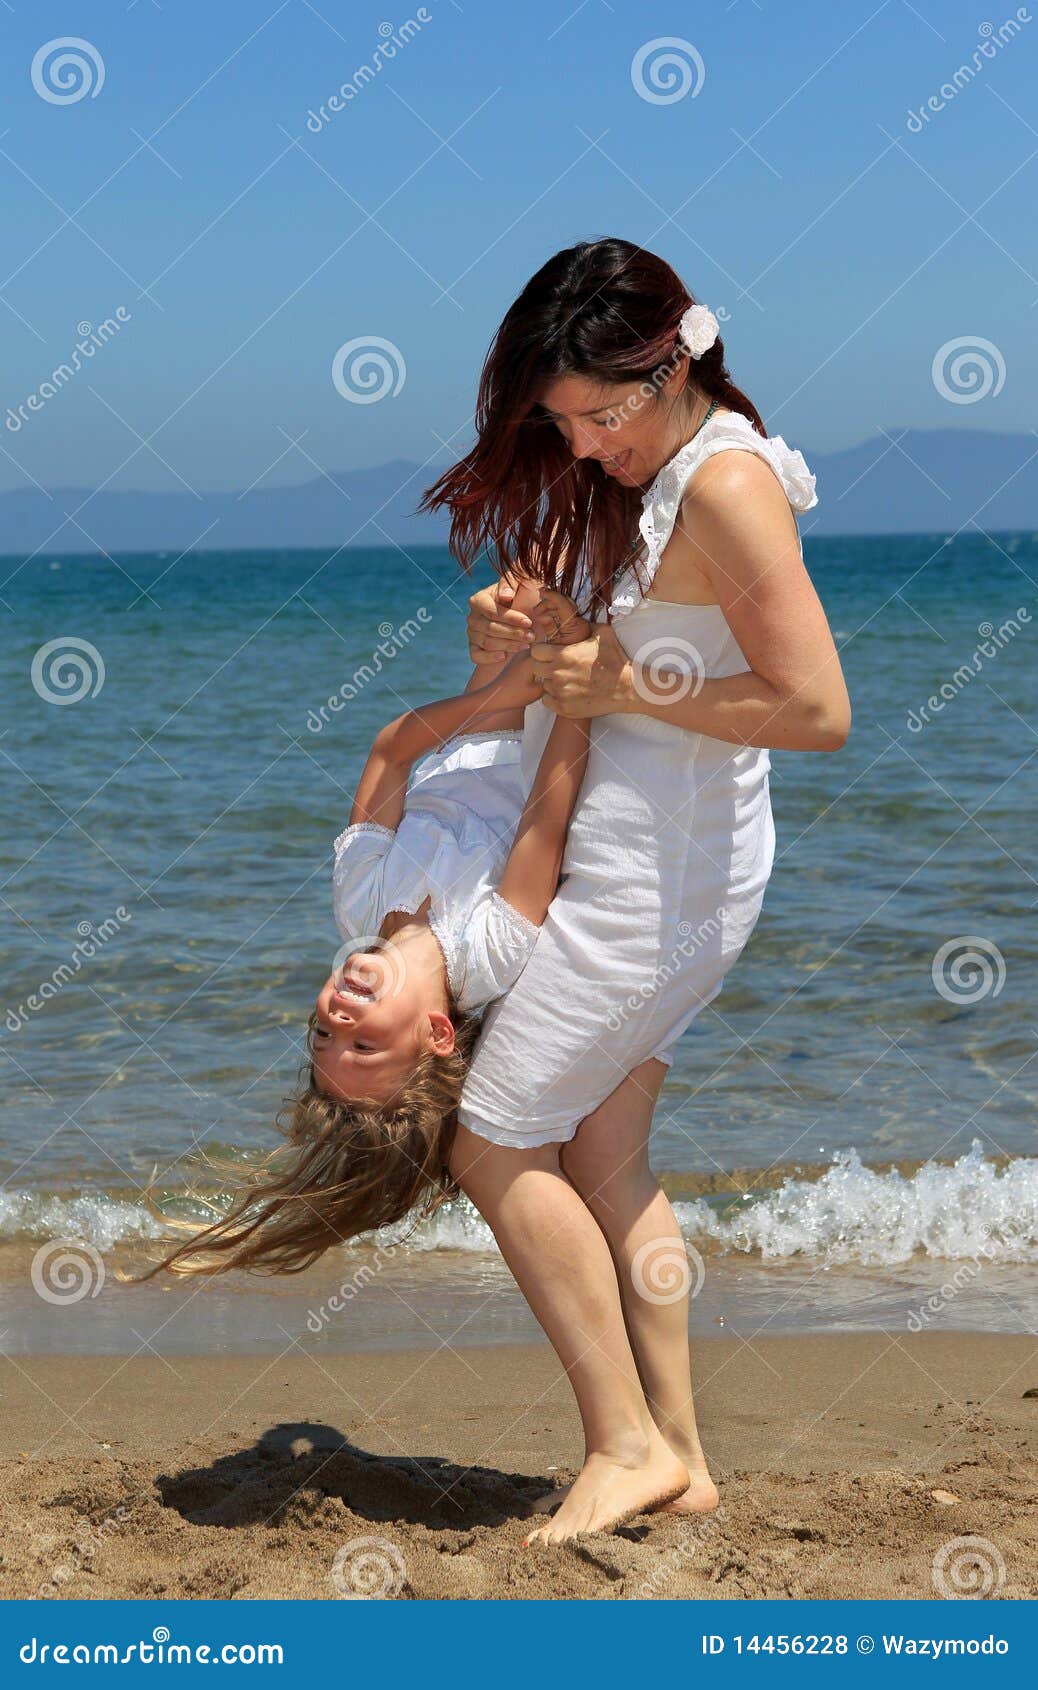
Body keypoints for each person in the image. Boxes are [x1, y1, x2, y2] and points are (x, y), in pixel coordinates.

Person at [418, 237, 851, 1543]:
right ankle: (683, 1457)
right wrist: (519, 643)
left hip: (664, 880)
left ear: (672, 367)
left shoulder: (726, 486)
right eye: (561, 424)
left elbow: (817, 710)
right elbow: (610, 663)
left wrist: (622, 682)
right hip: (627, 857)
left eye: (600, 417)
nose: (584, 445)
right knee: (602, 1153)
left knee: (491, 1136)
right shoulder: (642, 475)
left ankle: (622, 1443)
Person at [140, 636, 589, 1279]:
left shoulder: (357, 906)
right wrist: (572, 694)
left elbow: (389, 752)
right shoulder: (491, 954)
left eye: (323, 1035)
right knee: (556, 614)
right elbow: (547, 817)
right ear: (438, 1034)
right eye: (365, 1046)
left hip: (475, 723)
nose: (338, 1020)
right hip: (542, 741)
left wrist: (496, 693)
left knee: (506, 607)